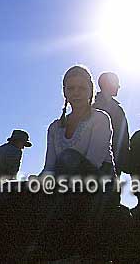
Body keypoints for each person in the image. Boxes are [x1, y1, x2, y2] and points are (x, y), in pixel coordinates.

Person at [36, 65, 115, 258]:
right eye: (71, 88)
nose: (76, 93)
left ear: (90, 90)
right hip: (66, 184)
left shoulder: (100, 119)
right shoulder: (54, 127)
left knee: (69, 157)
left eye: (82, 88)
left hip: (98, 183)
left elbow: (94, 161)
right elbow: (49, 167)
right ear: (64, 92)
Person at [93, 72, 130, 174]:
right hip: (94, 166)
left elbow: (123, 140)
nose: (119, 86)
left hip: (114, 166)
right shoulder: (92, 107)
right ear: (107, 84)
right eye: (116, 83)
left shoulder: (118, 110)